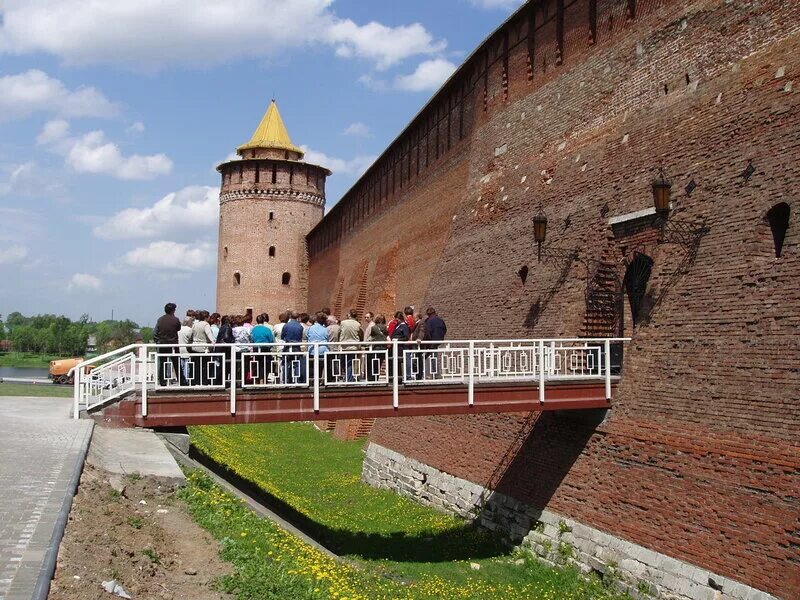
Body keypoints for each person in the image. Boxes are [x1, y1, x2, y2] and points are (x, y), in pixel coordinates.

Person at [153, 302, 181, 386]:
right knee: (176, 363)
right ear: (173, 310)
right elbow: (178, 328)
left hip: (162, 344)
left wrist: (157, 341)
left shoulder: (160, 319)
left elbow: (155, 333)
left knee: (162, 363)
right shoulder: (176, 320)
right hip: (173, 345)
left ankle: (162, 381)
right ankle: (181, 380)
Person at [338, 309, 363, 382]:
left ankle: (348, 378)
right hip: (354, 346)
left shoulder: (343, 323)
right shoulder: (357, 324)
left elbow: (339, 332)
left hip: (344, 346)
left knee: (345, 363)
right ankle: (349, 378)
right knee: (350, 363)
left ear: (349, 315)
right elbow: (360, 334)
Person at [281, 311, 306, 384]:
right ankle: (297, 379)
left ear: (290, 316)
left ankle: (286, 379)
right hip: (297, 347)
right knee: (297, 363)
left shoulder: (286, 325)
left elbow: (282, 336)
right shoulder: (300, 326)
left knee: (286, 363)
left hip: (288, 346)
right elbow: (300, 337)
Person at [191, 310, 215, 385]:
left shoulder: (195, 324)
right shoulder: (206, 324)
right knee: (205, 366)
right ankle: (204, 382)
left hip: (195, 346)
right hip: (203, 348)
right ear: (206, 317)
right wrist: (213, 342)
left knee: (196, 366)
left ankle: (196, 381)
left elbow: (191, 334)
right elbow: (209, 334)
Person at [250, 313, 275, 384]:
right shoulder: (267, 329)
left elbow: (251, 339)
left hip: (256, 349)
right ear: (264, 320)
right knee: (265, 365)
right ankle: (264, 380)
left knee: (256, 365)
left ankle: (257, 380)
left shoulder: (253, 329)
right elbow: (271, 340)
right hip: (265, 349)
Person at [307, 312, 330, 381]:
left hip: (312, 350)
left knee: (312, 366)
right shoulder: (325, 329)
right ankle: (321, 380)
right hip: (323, 350)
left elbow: (307, 336)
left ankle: (312, 380)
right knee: (321, 367)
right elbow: (327, 338)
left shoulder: (310, 328)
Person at [390, 310, 412, 381]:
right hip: (398, 348)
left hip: (402, 347)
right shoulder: (398, 325)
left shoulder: (404, 326)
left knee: (405, 361)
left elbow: (406, 337)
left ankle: (407, 377)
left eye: (396, 319)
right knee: (398, 362)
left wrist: (397, 339)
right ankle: (398, 378)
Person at [366, 314, 388, 381]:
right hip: (383, 348)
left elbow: (372, 336)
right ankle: (377, 377)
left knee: (373, 363)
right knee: (379, 364)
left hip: (376, 348)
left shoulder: (374, 328)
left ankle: (372, 378)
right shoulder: (385, 328)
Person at [178, 317, 194, 385]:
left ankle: (181, 380)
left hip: (179, 349)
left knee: (181, 366)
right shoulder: (189, 330)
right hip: (187, 350)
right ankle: (186, 381)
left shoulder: (178, 330)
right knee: (187, 366)